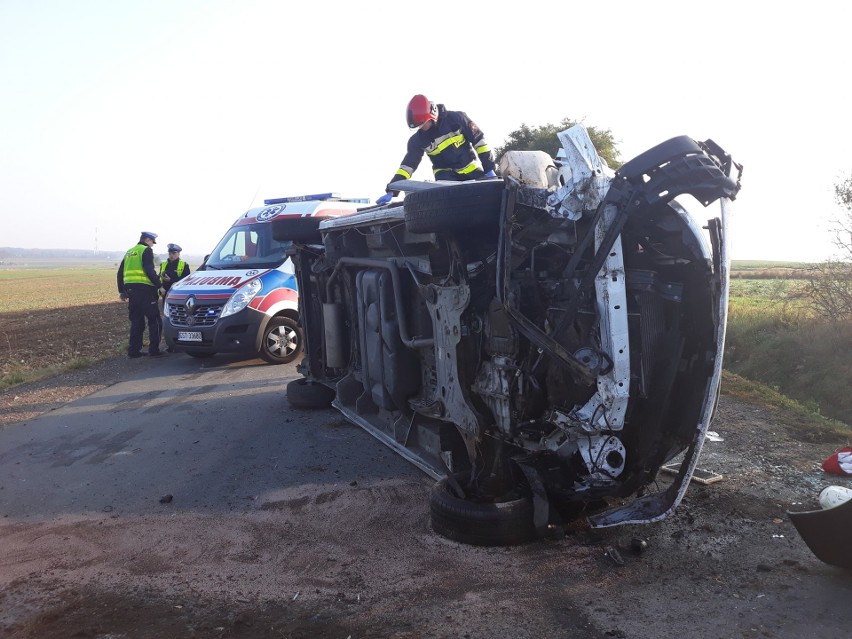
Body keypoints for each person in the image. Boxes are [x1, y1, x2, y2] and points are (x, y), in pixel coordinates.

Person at [376, 94, 497, 205]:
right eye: (419, 126)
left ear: (432, 116)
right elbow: (408, 166)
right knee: (451, 208)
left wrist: (489, 169)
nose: (422, 128)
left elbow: (479, 142)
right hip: (445, 179)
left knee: (486, 200)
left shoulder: (457, 119)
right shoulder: (417, 140)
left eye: (423, 124)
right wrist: (392, 190)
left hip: (472, 172)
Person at [116, 231, 165, 358]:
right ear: (147, 240)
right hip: (145, 291)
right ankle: (154, 350)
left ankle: (134, 351)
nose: (152, 246)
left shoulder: (129, 252)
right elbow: (149, 270)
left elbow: (120, 272)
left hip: (131, 292)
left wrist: (121, 291)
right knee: (155, 320)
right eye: (152, 243)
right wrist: (159, 285)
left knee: (137, 322)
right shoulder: (146, 250)